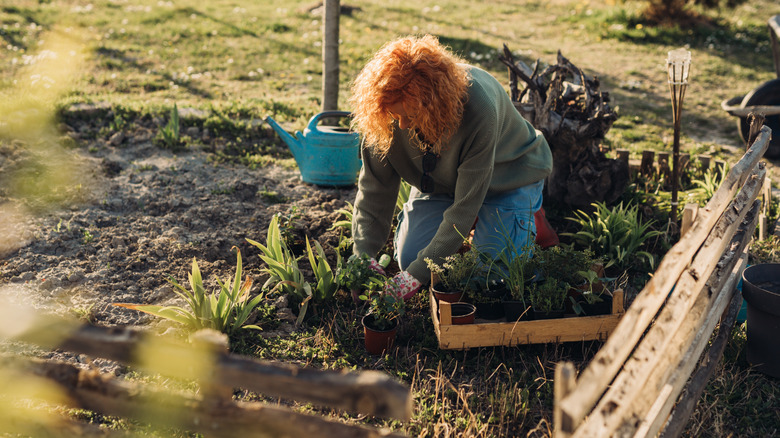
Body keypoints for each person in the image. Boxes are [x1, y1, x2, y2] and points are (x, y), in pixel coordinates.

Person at [349, 35, 552, 300]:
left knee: (491, 276)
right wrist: (362, 256)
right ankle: (484, 229)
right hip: (443, 183)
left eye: (409, 116)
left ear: (432, 106)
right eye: (395, 116)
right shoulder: (385, 112)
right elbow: (374, 190)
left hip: (509, 175)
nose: (402, 126)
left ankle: (528, 218)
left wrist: (414, 277)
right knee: (411, 256)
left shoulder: (479, 109)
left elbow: (465, 207)